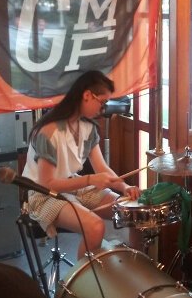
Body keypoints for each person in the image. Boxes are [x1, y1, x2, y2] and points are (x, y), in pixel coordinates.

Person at [23, 70, 141, 259]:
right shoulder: (49, 132)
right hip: (43, 193)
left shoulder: (88, 128)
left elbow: (102, 168)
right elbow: (47, 184)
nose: (103, 109)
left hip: (72, 184)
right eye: (102, 102)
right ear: (87, 95)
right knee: (94, 226)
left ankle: (137, 268)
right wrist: (90, 179)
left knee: (133, 211)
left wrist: (125, 187)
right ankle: (79, 287)